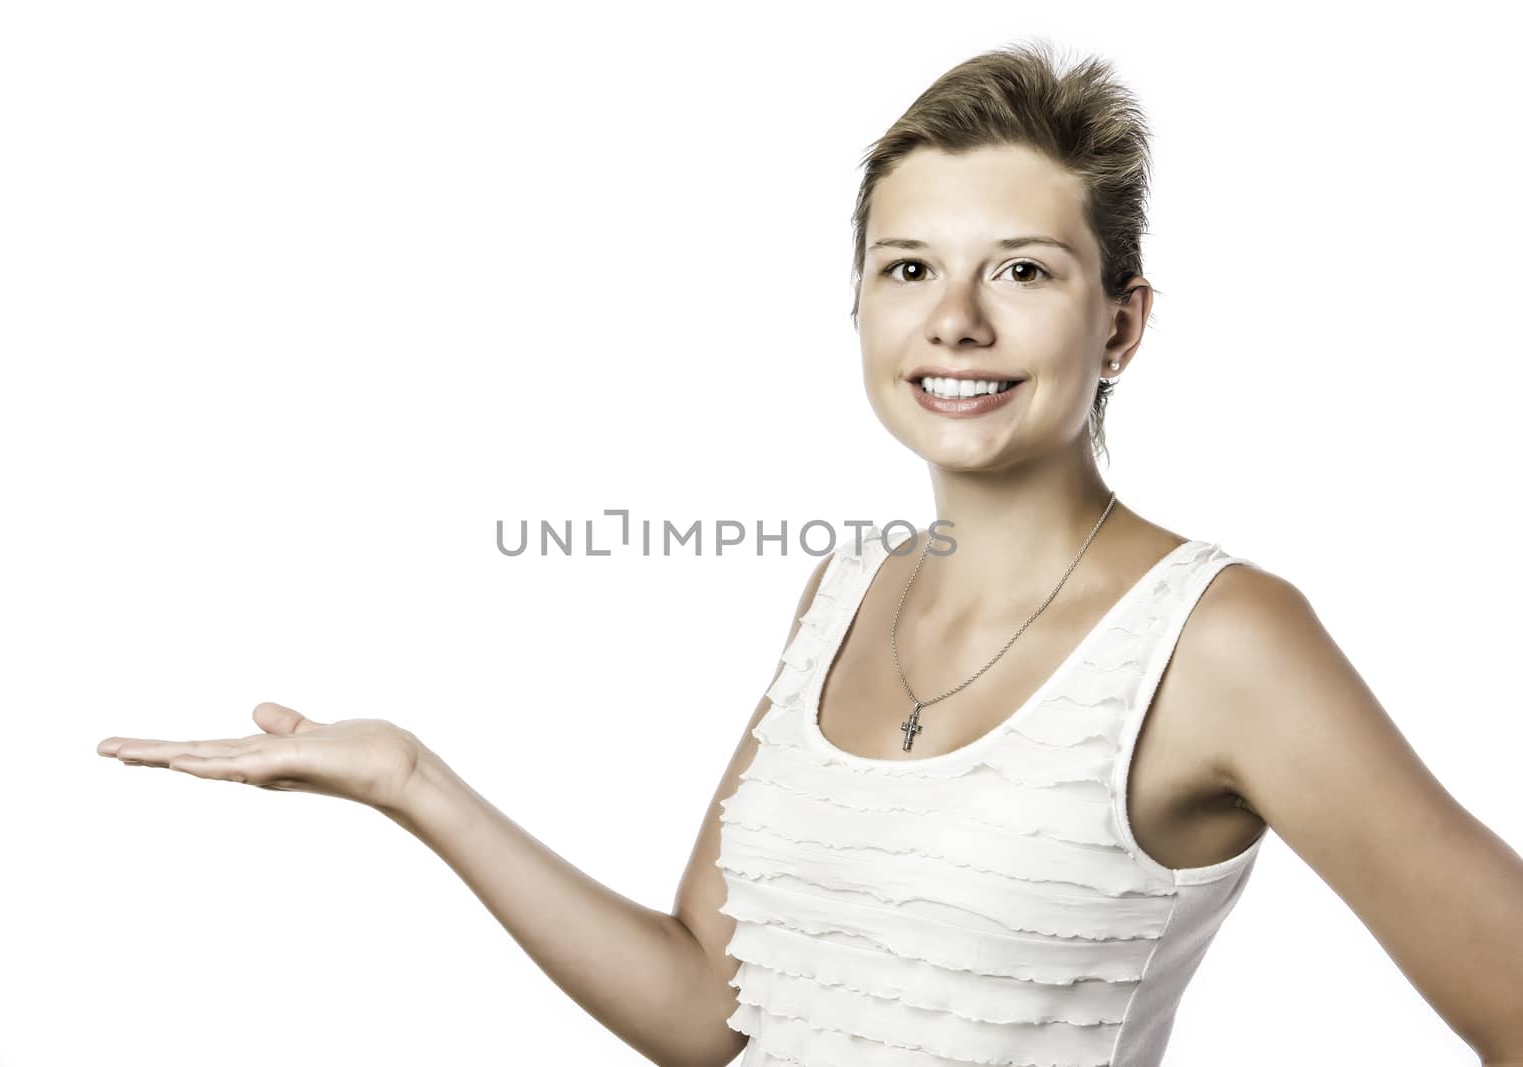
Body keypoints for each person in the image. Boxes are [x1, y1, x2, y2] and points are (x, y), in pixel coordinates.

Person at [95, 39, 1523, 1067]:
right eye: (909, 269)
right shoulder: (843, 592)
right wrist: (412, 783)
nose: (954, 320)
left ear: (1122, 325)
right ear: (858, 309)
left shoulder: (1223, 639)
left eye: (1022, 270)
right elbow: (706, 1011)